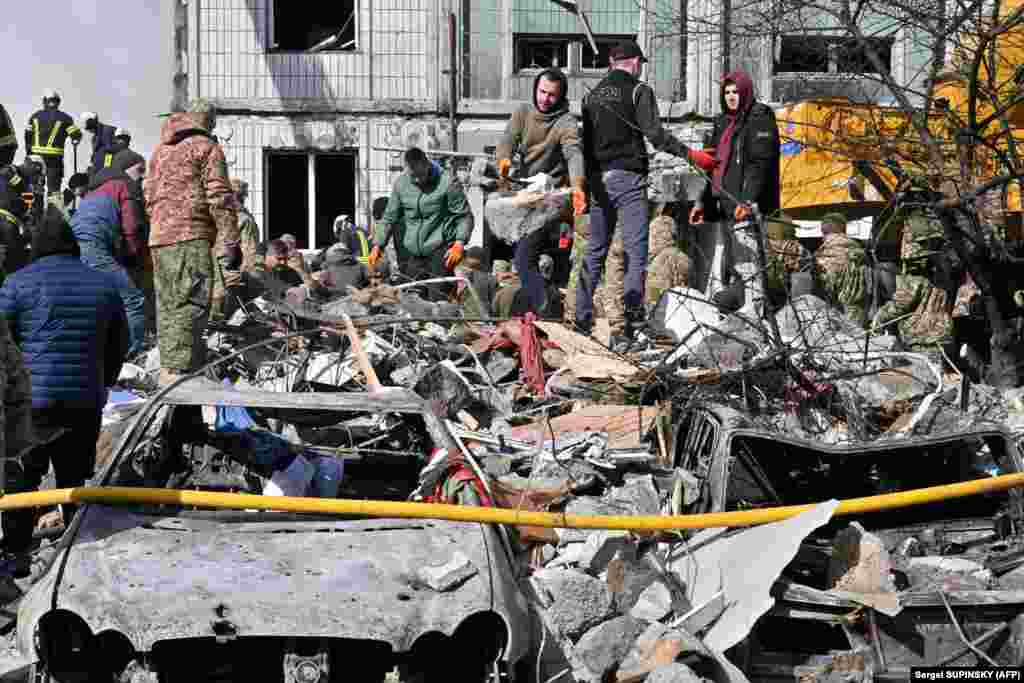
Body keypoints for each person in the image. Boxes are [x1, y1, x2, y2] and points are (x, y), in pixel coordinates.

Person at [0, 208, 127, 575]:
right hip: (84, 401)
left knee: (23, 480)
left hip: (32, 404)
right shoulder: (103, 284)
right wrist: (103, 383)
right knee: (74, 478)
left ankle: (16, 554)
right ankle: (75, 555)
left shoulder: (17, 283)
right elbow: (120, 342)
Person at [576, 40, 717, 348]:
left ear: (612, 63)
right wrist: (692, 155)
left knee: (595, 252)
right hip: (629, 179)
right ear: (636, 63)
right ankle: (632, 323)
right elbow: (655, 135)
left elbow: (584, 147)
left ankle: (581, 320)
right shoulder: (640, 91)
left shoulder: (591, 96)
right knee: (635, 253)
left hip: (599, 181)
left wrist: (585, 186)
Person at [145, 99, 240, 386]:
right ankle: (181, 388)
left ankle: (168, 376)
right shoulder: (206, 148)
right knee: (191, 310)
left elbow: (148, 195)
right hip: (191, 237)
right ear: (207, 120)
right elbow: (220, 197)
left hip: (160, 239)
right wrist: (230, 241)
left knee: (169, 310)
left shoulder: (161, 150)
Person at [690, 70, 781, 319]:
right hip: (725, 204)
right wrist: (702, 202)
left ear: (746, 92)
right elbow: (713, 167)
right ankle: (736, 313)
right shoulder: (723, 123)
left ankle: (754, 313)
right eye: (727, 92)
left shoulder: (759, 118)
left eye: (735, 92)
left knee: (748, 263)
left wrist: (748, 199)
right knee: (732, 263)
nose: (731, 97)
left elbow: (759, 164)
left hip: (745, 204)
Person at [495, 67, 585, 317]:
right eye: (542, 92)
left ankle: (546, 312)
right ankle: (542, 304)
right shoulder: (522, 113)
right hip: (522, 196)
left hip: (549, 200)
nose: (545, 99)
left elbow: (573, 152)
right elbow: (507, 140)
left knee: (524, 260)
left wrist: (578, 185)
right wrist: (503, 159)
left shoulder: (565, 121)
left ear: (561, 96)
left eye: (552, 95)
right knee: (527, 259)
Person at [71, 149, 148, 355]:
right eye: (140, 170)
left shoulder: (94, 189)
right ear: (125, 168)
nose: (143, 175)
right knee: (133, 299)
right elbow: (131, 228)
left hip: (73, 248)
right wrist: (133, 256)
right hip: (93, 248)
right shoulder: (126, 185)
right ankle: (133, 353)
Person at [369, 148, 473, 300]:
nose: (417, 180)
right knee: (412, 299)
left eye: (420, 175)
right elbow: (389, 218)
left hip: (439, 250)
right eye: (413, 176)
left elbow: (464, 216)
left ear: (427, 165)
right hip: (413, 253)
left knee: (438, 300)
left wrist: (459, 243)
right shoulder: (401, 184)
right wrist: (378, 245)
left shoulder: (447, 182)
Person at [871, 209, 959, 356]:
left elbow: (901, 304)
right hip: (943, 335)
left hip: (921, 340)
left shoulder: (916, 275)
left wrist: (879, 317)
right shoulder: (946, 268)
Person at [25, 90, 82, 197]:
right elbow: (75, 135)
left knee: (35, 187)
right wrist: (76, 139)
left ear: (44, 101)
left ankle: (34, 212)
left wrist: (29, 154)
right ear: (58, 102)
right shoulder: (65, 118)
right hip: (54, 159)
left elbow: (27, 136)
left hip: (36, 158)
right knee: (54, 189)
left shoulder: (35, 116)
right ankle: (53, 212)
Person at [231, 179, 261, 272]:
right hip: (240, 267)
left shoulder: (222, 214)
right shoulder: (243, 217)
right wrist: (249, 270)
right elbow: (249, 248)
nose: (246, 197)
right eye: (244, 194)